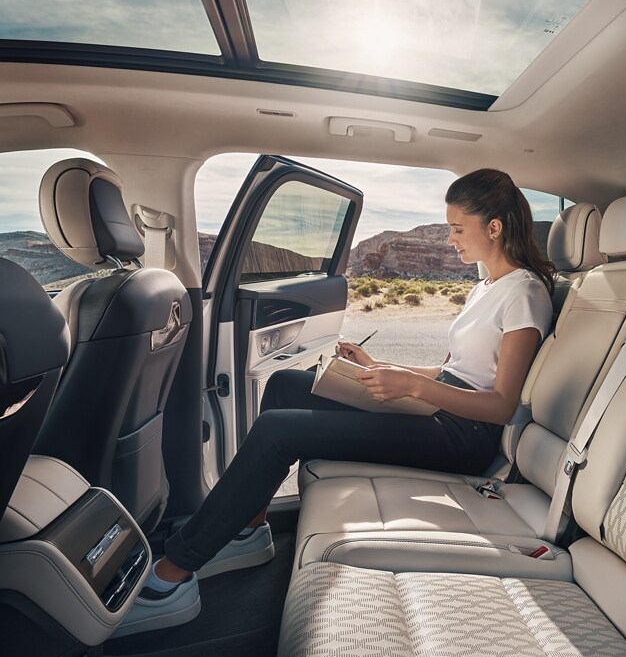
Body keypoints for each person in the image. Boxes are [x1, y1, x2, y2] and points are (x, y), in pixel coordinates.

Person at [119, 168, 555, 635]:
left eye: (456, 228)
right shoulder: (484, 287)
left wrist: (413, 388)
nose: (451, 240)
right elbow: (453, 371)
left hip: (464, 435)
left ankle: (172, 576)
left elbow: (500, 405)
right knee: (285, 383)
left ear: (494, 227)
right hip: (438, 408)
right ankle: (249, 525)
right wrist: (379, 366)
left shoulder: (524, 293)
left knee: (279, 431)